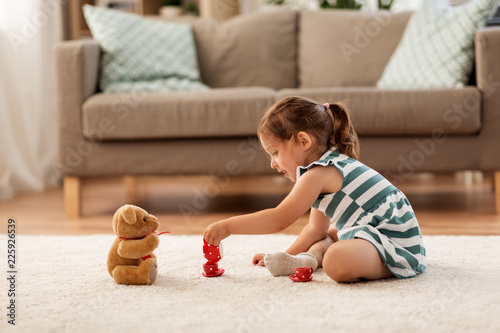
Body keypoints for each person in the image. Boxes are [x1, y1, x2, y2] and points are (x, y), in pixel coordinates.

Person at [203, 96, 426, 282]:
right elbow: (314, 230)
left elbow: (278, 219)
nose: (272, 163)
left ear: (303, 141)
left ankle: (394, 263)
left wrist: (228, 226)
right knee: (328, 235)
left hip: (396, 242)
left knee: (336, 261)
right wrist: (286, 256)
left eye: (275, 152)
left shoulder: (318, 174)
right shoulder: (327, 166)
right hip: (372, 232)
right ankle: (307, 258)